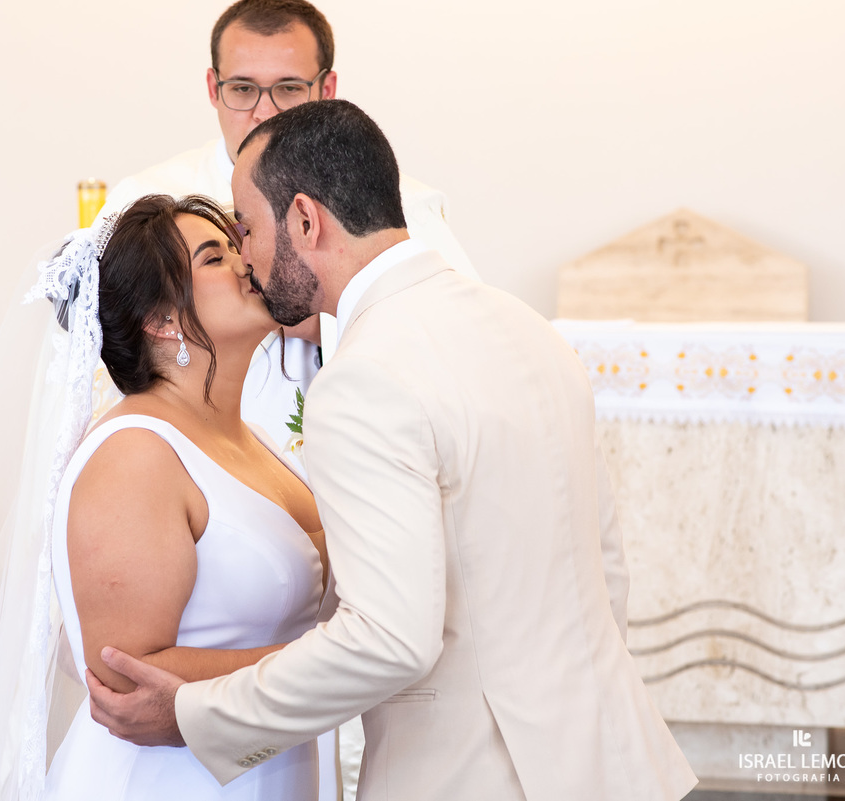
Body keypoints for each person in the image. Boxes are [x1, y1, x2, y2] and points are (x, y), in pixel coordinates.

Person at [86, 100, 699, 801]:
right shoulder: (528, 329)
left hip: (475, 773)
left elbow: (390, 640)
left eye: (248, 229)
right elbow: (605, 567)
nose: (249, 259)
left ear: (307, 221)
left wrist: (196, 716)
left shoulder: (364, 377)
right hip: (608, 757)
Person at [0, 194, 330, 800]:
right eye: (215, 256)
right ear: (162, 320)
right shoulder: (135, 454)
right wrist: (337, 667)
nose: (247, 261)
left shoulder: (255, 439)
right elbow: (122, 677)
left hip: (268, 768)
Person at [98, 0, 478, 454]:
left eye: (289, 88)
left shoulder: (398, 202)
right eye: (242, 89)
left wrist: (333, 312)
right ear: (213, 88)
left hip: (357, 456)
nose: (265, 112)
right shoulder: (141, 200)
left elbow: (461, 349)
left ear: (327, 87)